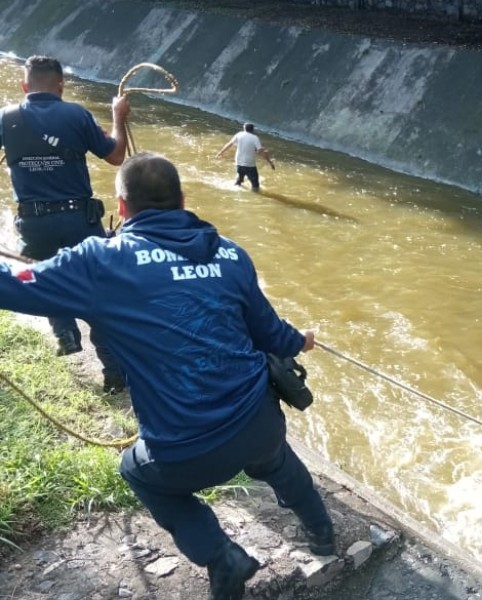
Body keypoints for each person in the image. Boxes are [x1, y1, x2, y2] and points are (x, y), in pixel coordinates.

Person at [0, 152, 335, 600]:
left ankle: (221, 556)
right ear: (182, 200)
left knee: (136, 471)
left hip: (184, 451)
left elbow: (14, 282)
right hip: (259, 422)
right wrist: (303, 339)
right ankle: (323, 533)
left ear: (120, 208)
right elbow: (274, 335)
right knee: (272, 456)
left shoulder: (102, 261)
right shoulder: (231, 253)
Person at [0, 55, 129, 392]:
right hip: (79, 220)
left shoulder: (6, 117)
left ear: (24, 86)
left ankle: (65, 333)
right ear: (61, 86)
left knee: (45, 277)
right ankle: (115, 375)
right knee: (97, 293)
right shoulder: (76, 114)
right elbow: (116, 156)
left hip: (33, 223)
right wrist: (118, 115)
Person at [215, 122, 275, 191]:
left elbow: (229, 144)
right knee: (255, 185)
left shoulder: (239, 135)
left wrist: (220, 153)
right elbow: (260, 151)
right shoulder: (255, 138)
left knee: (239, 179)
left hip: (239, 162)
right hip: (250, 164)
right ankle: (255, 197)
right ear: (253, 130)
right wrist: (270, 162)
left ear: (244, 129)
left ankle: (236, 191)